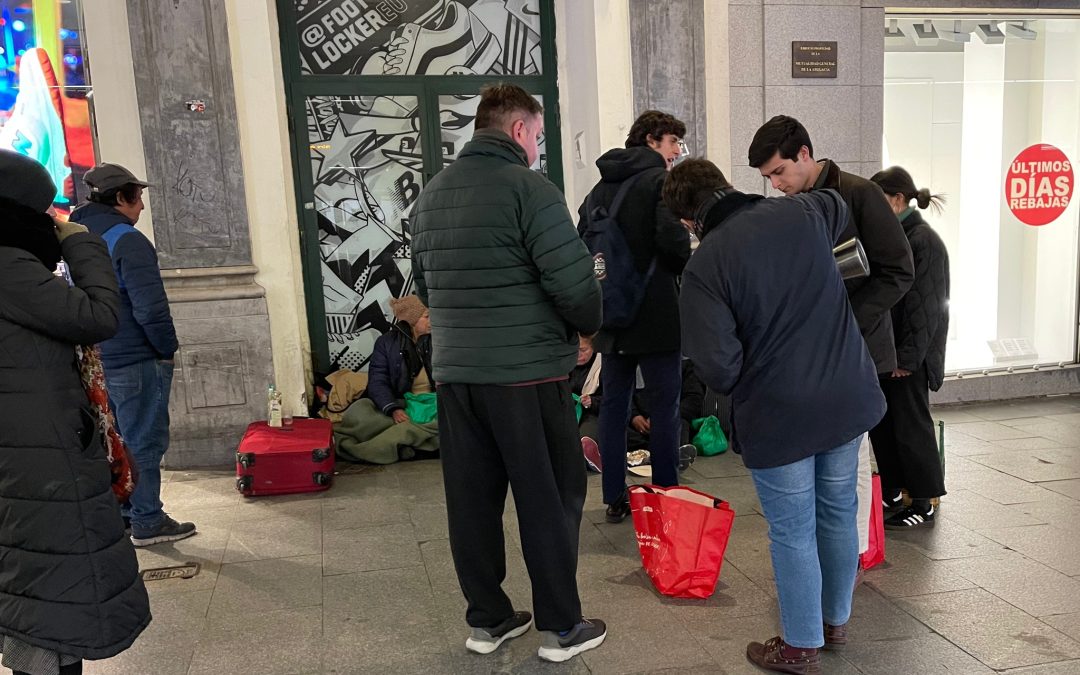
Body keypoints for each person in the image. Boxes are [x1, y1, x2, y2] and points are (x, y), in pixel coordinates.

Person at [410, 83, 607, 662]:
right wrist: (584, 327)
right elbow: (575, 286)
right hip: (525, 376)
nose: (539, 148)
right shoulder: (531, 190)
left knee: (471, 501)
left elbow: (425, 289)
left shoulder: (432, 196)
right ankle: (563, 627)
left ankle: (488, 620)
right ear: (519, 130)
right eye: (539, 136)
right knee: (550, 495)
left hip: (457, 377)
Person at [665, 158, 885, 673]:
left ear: (688, 220)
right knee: (836, 509)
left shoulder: (705, 265)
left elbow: (718, 366)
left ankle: (800, 645)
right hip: (844, 394)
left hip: (779, 411)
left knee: (791, 528)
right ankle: (836, 622)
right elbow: (836, 201)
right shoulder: (805, 211)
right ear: (725, 185)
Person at [0, 150, 151, 675]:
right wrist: (81, 243)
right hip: (37, 461)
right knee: (52, 587)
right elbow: (97, 315)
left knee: (30, 577)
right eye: (44, 212)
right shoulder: (8, 265)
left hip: (23, 453)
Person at [749, 115, 913, 564]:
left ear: (804, 154)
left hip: (856, 347)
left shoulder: (860, 194)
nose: (776, 184)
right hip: (809, 349)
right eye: (767, 178)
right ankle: (828, 551)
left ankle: (853, 553)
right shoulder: (791, 205)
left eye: (779, 172)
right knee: (820, 455)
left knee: (851, 457)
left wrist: (845, 320)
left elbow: (899, 270)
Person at [70, 163, 195, 547]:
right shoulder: (129, 241)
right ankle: (148, 519)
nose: (141, 207)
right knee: (144, 439)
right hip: (136, 357)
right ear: (122, 198)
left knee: (117, 438)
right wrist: (167, 349)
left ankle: (125, 512)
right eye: (138, 198)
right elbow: (151, 309)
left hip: (99, 358)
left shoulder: (77, 238)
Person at [576, 110, 692, 523]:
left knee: (613, 405)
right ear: (650, 140)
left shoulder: (597, 191)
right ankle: (664, 492)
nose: (677, 151)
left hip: (611, 313)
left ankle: (613, 495)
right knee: (664, 406)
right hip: (656, 312)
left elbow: (580, 247)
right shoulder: (658, 183)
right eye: (673, 142)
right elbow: (674, 242)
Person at [868, 167, 950, 529]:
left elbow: (926, 307)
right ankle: (894, 489)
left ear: (898, 200)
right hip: (891, 351)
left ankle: (923, 498)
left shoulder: (923, 240)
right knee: (885, 424)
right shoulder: (898, 236)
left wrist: (907, 357)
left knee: (911, 424)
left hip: (908, 355)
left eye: (879, 201)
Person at [334, 295, 440, 464]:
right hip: (403, 404)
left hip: (434, 404)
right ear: (412, 320)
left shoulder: (440, 341)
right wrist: (393, 409)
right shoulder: (386, 343)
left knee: (447, 418)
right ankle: (419, 439)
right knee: (360, 411)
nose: (432, 321)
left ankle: (407, 439)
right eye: (427, 316)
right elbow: (378, 381)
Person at [570, 336, 604, 472]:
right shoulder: (563, 366)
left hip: (594, 414)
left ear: (593, 348)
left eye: (583, 350)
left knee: (583, 441)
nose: (579, 355)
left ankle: (589, 454)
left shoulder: (603, 365)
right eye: (574, 351)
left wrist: (592, 401)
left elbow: (613, 402)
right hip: (568, 412)